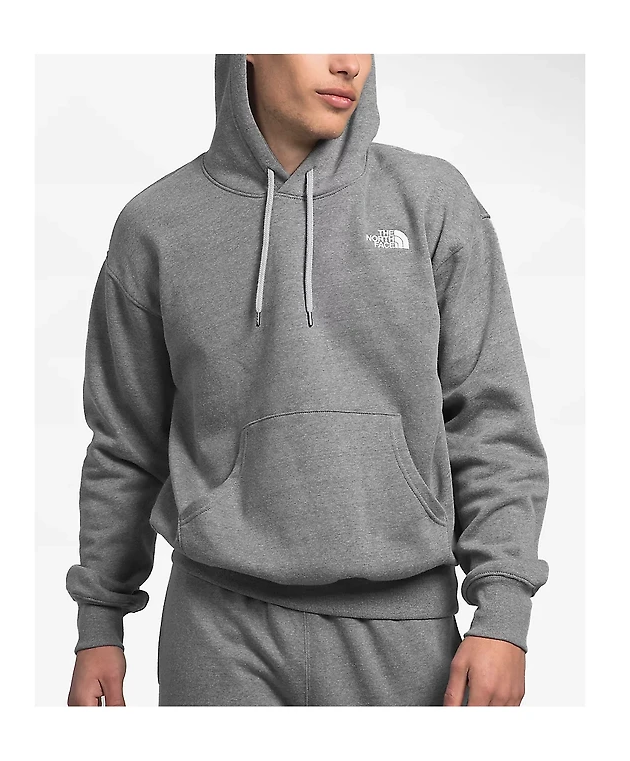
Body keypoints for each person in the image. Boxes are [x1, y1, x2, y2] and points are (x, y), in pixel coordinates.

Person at [66, 54, 550, 707]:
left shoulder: (432, 201)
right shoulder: (157, 225)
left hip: (402, 629)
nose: (348, 63)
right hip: (216, 631)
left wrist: (503, 613)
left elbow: (491, 421)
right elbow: (125, 444)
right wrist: (99, 621)